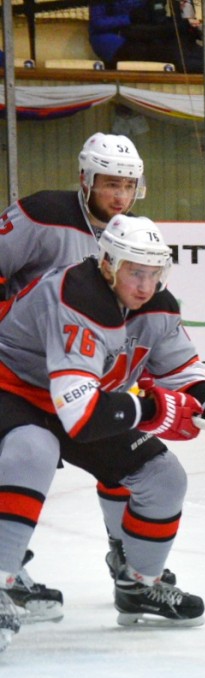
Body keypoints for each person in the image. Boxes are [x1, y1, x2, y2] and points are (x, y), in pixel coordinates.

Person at [0, 215, 205, 653]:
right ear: (108, 263)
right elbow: (82, 417)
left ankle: (138, 586)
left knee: (163, 477)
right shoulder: (78, 295)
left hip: (78, 399)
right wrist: (154, 409)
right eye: (135, 272)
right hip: (12, 388)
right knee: (33, 449)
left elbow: (182, 370)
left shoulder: (157, 305)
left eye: (154, 273)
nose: (146, 286)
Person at [0, 133, 149, 623]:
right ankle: (8, 568)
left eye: (129, 185)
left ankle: (131, 568)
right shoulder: (44, 213)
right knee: (22, 460)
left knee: (125, 455)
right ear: (86, 180)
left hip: (77, 376)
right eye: (110, 184)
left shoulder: (130, 233)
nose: (120, 196)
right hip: (17, 369)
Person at [90, 0, 204, 71]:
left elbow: (156, 19)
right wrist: (129, 18)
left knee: (179, 41)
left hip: (142, 34)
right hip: (112, 41)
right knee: (166, 51)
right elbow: (97, 23)